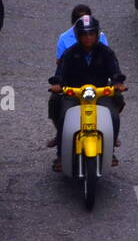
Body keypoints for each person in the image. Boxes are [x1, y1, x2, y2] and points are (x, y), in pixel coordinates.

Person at [48, 14, 126, 167]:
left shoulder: (106, 52)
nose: (88, 38)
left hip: (99, 94)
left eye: (91, 33)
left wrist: (118, 83)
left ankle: (110, 151)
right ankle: (61, 155)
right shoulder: (69, 53)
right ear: (78, 35)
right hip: (74, 94)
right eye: (84, 34)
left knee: (114, 117)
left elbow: (115, 71)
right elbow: (60, 74)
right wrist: (58, 84)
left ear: (97, 34)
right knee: (64, 117)